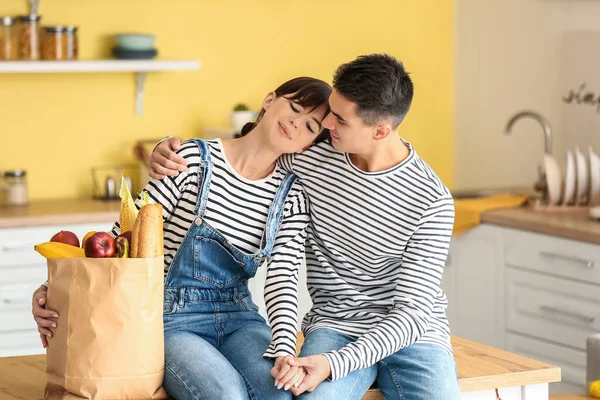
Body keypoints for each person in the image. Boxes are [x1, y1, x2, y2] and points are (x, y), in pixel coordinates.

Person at [150, 54, 459, 400]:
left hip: (413, 333)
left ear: (380, 131)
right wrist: (166, 149)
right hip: (335, 324)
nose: (326, 125)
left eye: (339, 120)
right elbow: (244, 152)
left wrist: (331, 362)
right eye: (327, 113)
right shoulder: (309, 155)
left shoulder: (433, 200)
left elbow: (413, 314)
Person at [31, 76, 332, 400]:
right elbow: (124, 239)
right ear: (270, 100)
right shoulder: (189, 159)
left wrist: (284, 346)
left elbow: (284, 278)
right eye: (294, 107)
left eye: (311, 126)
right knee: (226, 396)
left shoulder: (292, 195)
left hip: (240, 317)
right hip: (169, 319)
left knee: (279, 393)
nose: (296, 123)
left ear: (307, 146)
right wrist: (56, 291)